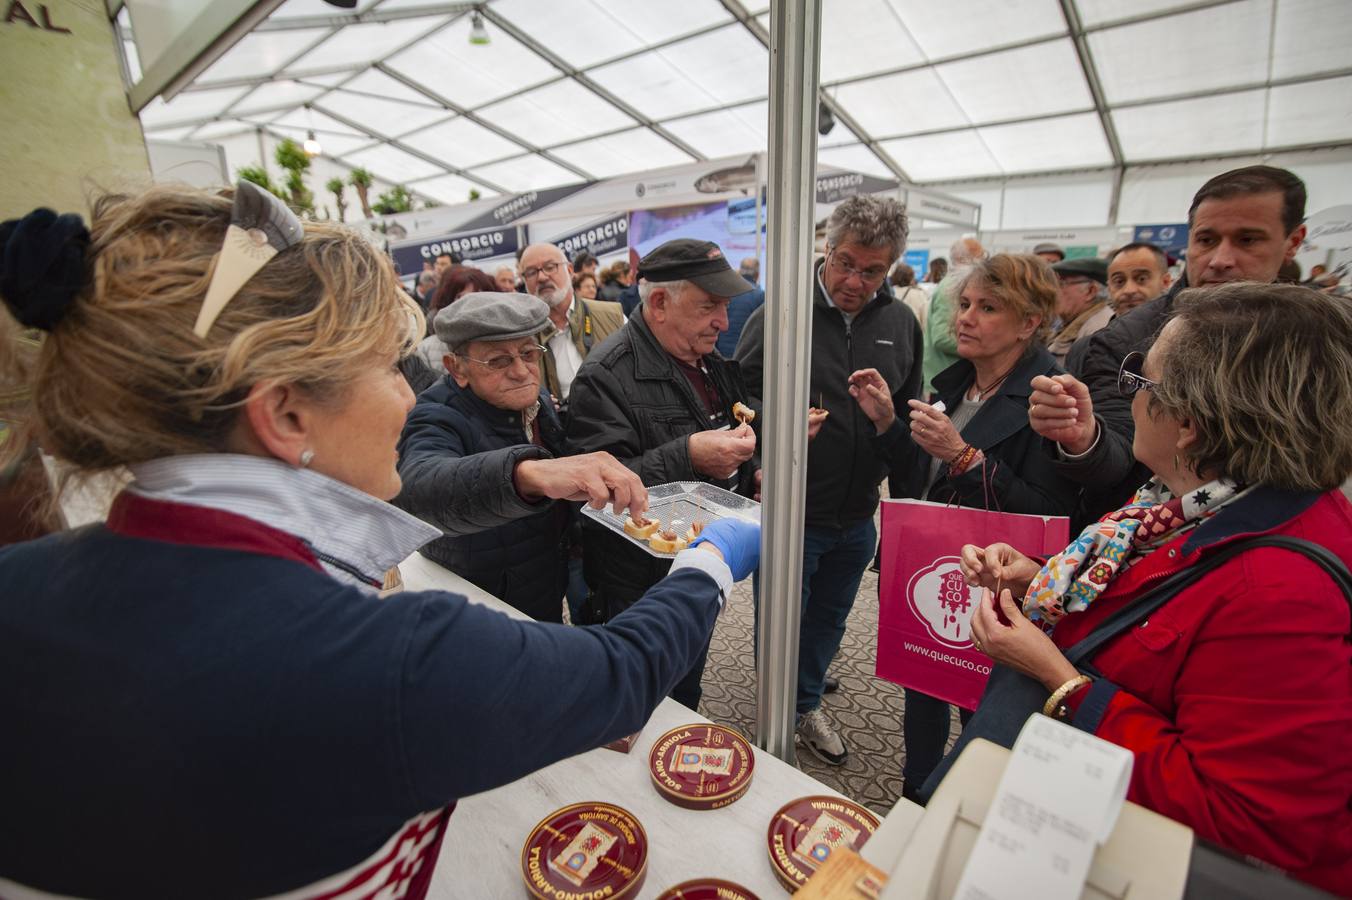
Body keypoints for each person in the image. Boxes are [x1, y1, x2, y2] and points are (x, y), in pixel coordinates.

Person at [0, 186, 760, 898]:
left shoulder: (18, 580)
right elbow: (622, 674)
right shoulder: (385, 657)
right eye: (385, 368)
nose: (406, 391)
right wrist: (713, 560)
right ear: (286, 415)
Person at [957, 284, 1352, 895]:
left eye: (1141, 381)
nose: (1129, 396)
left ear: (1189, 424)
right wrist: (1043, 576)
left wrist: (1060, 682)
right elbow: (1158, 606)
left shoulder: (1281, 592)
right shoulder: (1193, 502)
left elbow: (1248, 825)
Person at [851, 253, 1080, 798]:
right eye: (966, 304)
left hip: (995, 588)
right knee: (922, 687)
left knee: (983, 713)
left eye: (989, 307)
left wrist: (964, 458)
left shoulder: (1046, 398)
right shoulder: (954, 386)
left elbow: (1048, 514)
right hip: (930, 573)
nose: (966, 318)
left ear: (1029, 323)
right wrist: (887, 420)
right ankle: (916, 794)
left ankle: (961, 809)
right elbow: (918, 485)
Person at [736, 195, 923, 764]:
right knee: (781, 623)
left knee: (829, 620)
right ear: (827, 247)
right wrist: (777, 432)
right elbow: (737, 397)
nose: (855, 280)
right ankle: (774, 719)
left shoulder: (899, 321)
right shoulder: (781, 311)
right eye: (845, 262)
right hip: (793, 509)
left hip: (858, 512)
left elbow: (911, 408)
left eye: (873, 270)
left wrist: (889, 422)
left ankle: (805, 700)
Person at [1028, 165, 1308, 526]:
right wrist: (1085, 439)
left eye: (1248, 240)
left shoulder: (1315, 340)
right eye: (1206, 240)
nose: (1221, 259)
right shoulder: (1129, 340)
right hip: (1148, 549)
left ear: (1293, 241)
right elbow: (1118, 455)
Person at [567, 239, 759, 709]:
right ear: (658, 303)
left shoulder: (708, 359)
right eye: (709, 307)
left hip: (694, 564)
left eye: (726, 307)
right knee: (640, 699)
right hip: (639, 586)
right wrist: (688, 455)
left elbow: (728, 429)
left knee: (685, 685)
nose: (724, 322)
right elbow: (599, 489)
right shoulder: (604, 376)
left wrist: (753, 466)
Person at [395, 293, 643, 622]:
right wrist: (525, 475)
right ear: (457, 368)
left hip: (544, 577)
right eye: (498, 361)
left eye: (528, 353)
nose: (520, 370)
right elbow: (419, 487)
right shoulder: (435, 413)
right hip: (482, 604)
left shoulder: (534, 397)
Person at [518, 243, 624, 414]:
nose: (542, 277)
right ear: (524, 281)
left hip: (617, 423)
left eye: (550, 267)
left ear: (570, 270)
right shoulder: (519, 334)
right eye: (531, 272)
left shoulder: (613, 316)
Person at [923, 237, 984, 396]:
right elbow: (941, 338)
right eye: (980, 258)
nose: (984, 263)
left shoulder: (959, 285)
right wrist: (982, 347)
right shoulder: (952, 287)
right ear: (966, 259)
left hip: (950, 379)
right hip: (943, 381)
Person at [415, 264, 498, 372]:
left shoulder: (506, 339)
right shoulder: (425, 350)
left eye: (476, 296)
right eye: (460, 297)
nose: (468, 304)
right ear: (449, 301)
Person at [1046, 257, 1112, 367]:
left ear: (1090, 291)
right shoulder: (1077, 323)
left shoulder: (1098, 335)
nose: (1053, 292)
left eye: (1061, 284)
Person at [716, 256, 765, 358]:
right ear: (757, 275)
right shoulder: (759, 295)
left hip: (721, 353)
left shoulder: (727, 291)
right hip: (744, 354)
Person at [889, 261, 928, 331]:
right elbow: (925, 319)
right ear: (911, 277)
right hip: (912, 333)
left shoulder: (888, 292)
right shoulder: (919, 294)